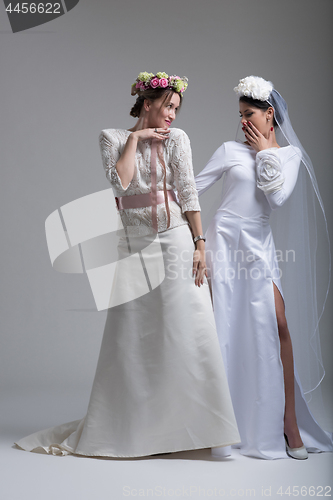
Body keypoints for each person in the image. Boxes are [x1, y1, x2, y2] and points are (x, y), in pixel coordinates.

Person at [14, 72, 240, 458]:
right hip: (133, 246)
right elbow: (119, 185)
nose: (172, 115)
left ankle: (206, 435)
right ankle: (139, 432)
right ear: (147, 103)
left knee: (190, 332)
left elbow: (187, 191)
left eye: (176, 109)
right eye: (167, 106)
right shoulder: (113, 138)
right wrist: (135, 140)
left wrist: (200, 244)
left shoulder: (178, 140)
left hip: (176, 240)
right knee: (133, 343)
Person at [195, 76, 333, 460]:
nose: (242, 121)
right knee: (225, 326)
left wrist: (264, 153)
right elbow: (191, 189)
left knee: (278, 323)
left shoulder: (289, 157)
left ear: (270, 114)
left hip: (258, 246)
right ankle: (220, 425)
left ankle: (290, 424)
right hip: (223, 242)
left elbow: (279, 197)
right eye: (239, 115)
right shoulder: (228, 150)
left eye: (249, 113)